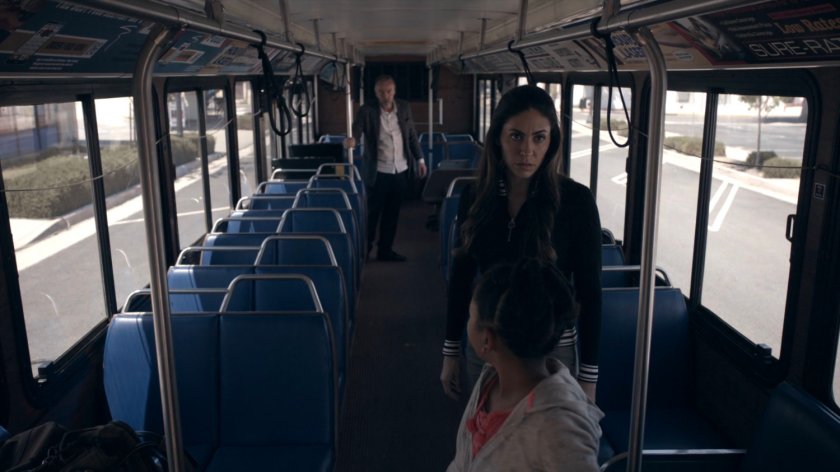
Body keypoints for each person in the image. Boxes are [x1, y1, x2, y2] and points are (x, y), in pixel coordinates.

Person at [440, 84, 602, 401]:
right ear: (498, 139)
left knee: (546, 444)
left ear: (551, 142)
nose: (527, 150)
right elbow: (461, 278)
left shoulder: (576, 202)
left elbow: (590, 292)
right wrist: (450, 351)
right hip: (489, 342)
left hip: (551, 352)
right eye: (516, 136)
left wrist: (589, 378)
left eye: (538, 137)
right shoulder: (475, 197)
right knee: (487, 439)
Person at [447, 259, 603, 471]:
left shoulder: (560, 427)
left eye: (471, 317)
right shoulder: (490, 380)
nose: (468, 323)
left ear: (487, 340)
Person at [344, 74, 428, 262]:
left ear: (394, 91)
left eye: (389, 91)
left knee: (393, 212)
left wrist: (420, 160)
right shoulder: (368, 110)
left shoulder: (404, 108)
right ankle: (365, 251)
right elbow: (357, 128)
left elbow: (412, 136)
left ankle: (385, 250)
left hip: (401, 169)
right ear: (376, 93)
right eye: (381, 92)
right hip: (378, 171)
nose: (386, 95)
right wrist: (353, 140)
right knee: (373, 213)